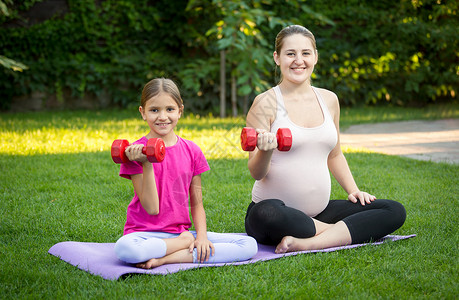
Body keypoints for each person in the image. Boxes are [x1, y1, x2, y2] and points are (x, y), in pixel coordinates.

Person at [244, 25, 406, 254]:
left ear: (315, 57)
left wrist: (354, 190)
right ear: (277, 58)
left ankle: (310, 242)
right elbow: (256, 172)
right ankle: (338, 232)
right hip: (276, 212)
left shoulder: (329, 100)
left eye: (305, 53)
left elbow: (335, 154)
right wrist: (267, 150)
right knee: (266, 214)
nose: (298, 60)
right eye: (290, 54)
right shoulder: (265, 103)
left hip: (319, 211)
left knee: (393, 210)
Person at [114, 78, 257, 269]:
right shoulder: (135, 153)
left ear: (180, 111)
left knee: (249, 245)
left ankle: (164, 259)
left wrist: (203, 238)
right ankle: (182, 246)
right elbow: (152, 209)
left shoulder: (192, 151)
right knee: (125, 249)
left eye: (170, 109)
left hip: (179, 232)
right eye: (154, 110)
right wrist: (146, 164)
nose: (162, 117)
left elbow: (197, 203)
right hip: (143, 234)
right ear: (143, 113)